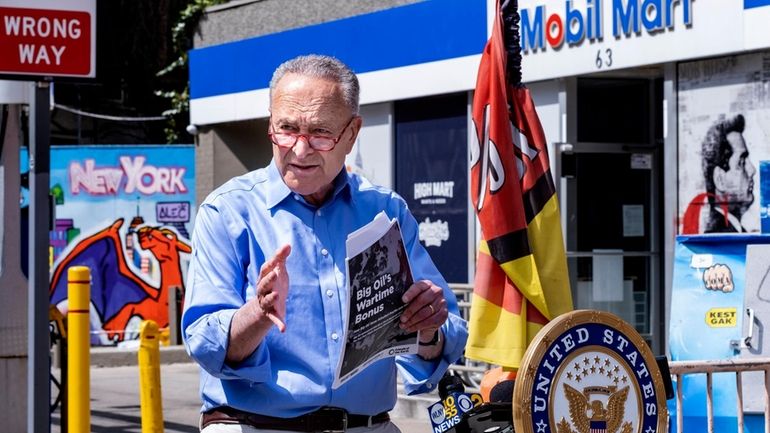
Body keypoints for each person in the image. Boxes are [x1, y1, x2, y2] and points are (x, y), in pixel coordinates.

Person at [182, 54, 468, 433]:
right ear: (270, 124)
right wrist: (259, 312)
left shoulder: (385, 212)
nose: (299, 150)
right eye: (286, 129)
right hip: (254, 425)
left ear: (352, 134)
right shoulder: (227, 211)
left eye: (320, 134)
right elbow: (203, 342)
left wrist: (427, 331)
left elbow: (444, 339)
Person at [682, 113, 756, 233]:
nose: (752, 170)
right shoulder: (719, 234)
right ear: (720, 180)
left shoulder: (735, 231)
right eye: (741, 163)